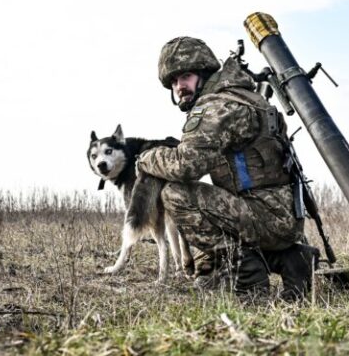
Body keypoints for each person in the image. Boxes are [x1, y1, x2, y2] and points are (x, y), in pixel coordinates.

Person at [136, 36, 318, 300]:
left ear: (205, 73)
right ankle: (291, 259)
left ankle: (249, 277)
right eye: (173, 82)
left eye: (185, 76)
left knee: (177, 194)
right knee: (203, 203)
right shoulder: (245, 96)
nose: (179, 87)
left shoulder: (217, 107)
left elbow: (186, 166)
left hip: (265, 215)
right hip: (280, 217)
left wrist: (145, 158)